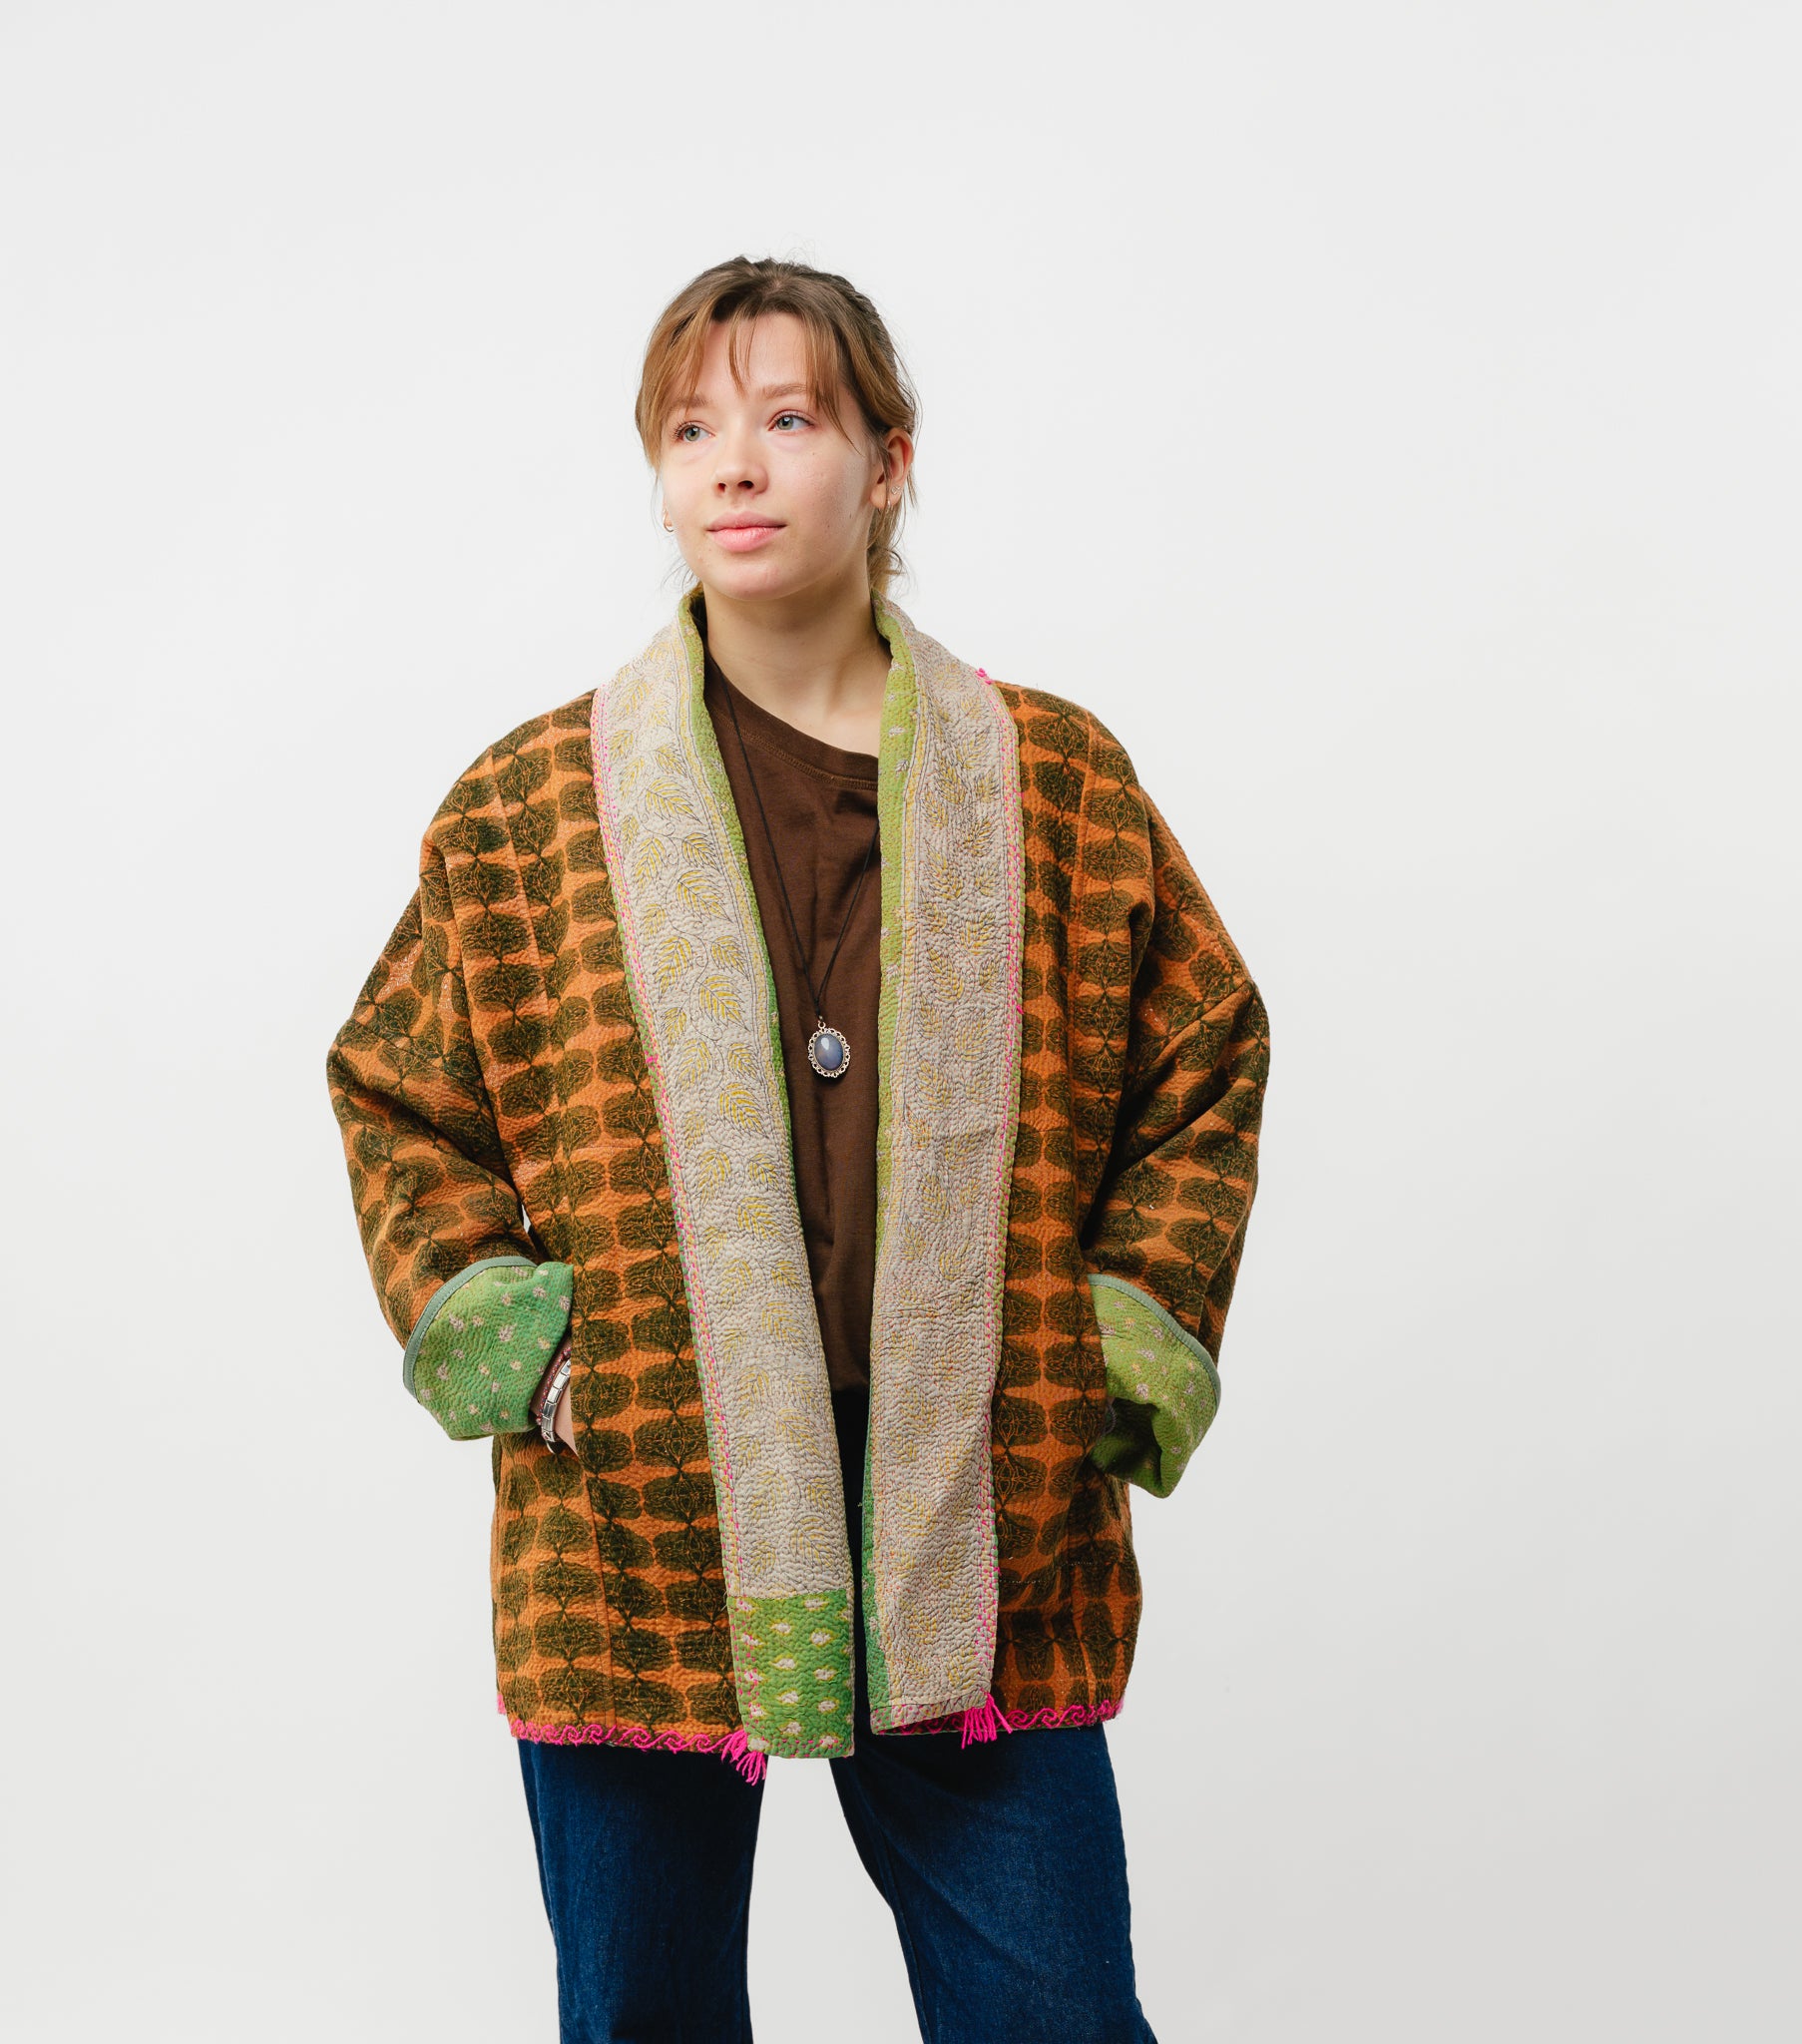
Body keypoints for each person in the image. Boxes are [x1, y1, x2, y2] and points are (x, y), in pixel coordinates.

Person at [327, 255, 1270, 2043]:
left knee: (1056, 2018)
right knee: (644, 2019)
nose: (734, 465)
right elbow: (399, 1086)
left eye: (787, 418)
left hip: (982, 1523)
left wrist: (1111, 1346)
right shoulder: (526, 808)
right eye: (692, 428)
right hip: (639, 1527)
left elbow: (1206, 1049)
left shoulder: (1057, 783)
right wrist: (533, 1361)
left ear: (887, 463)